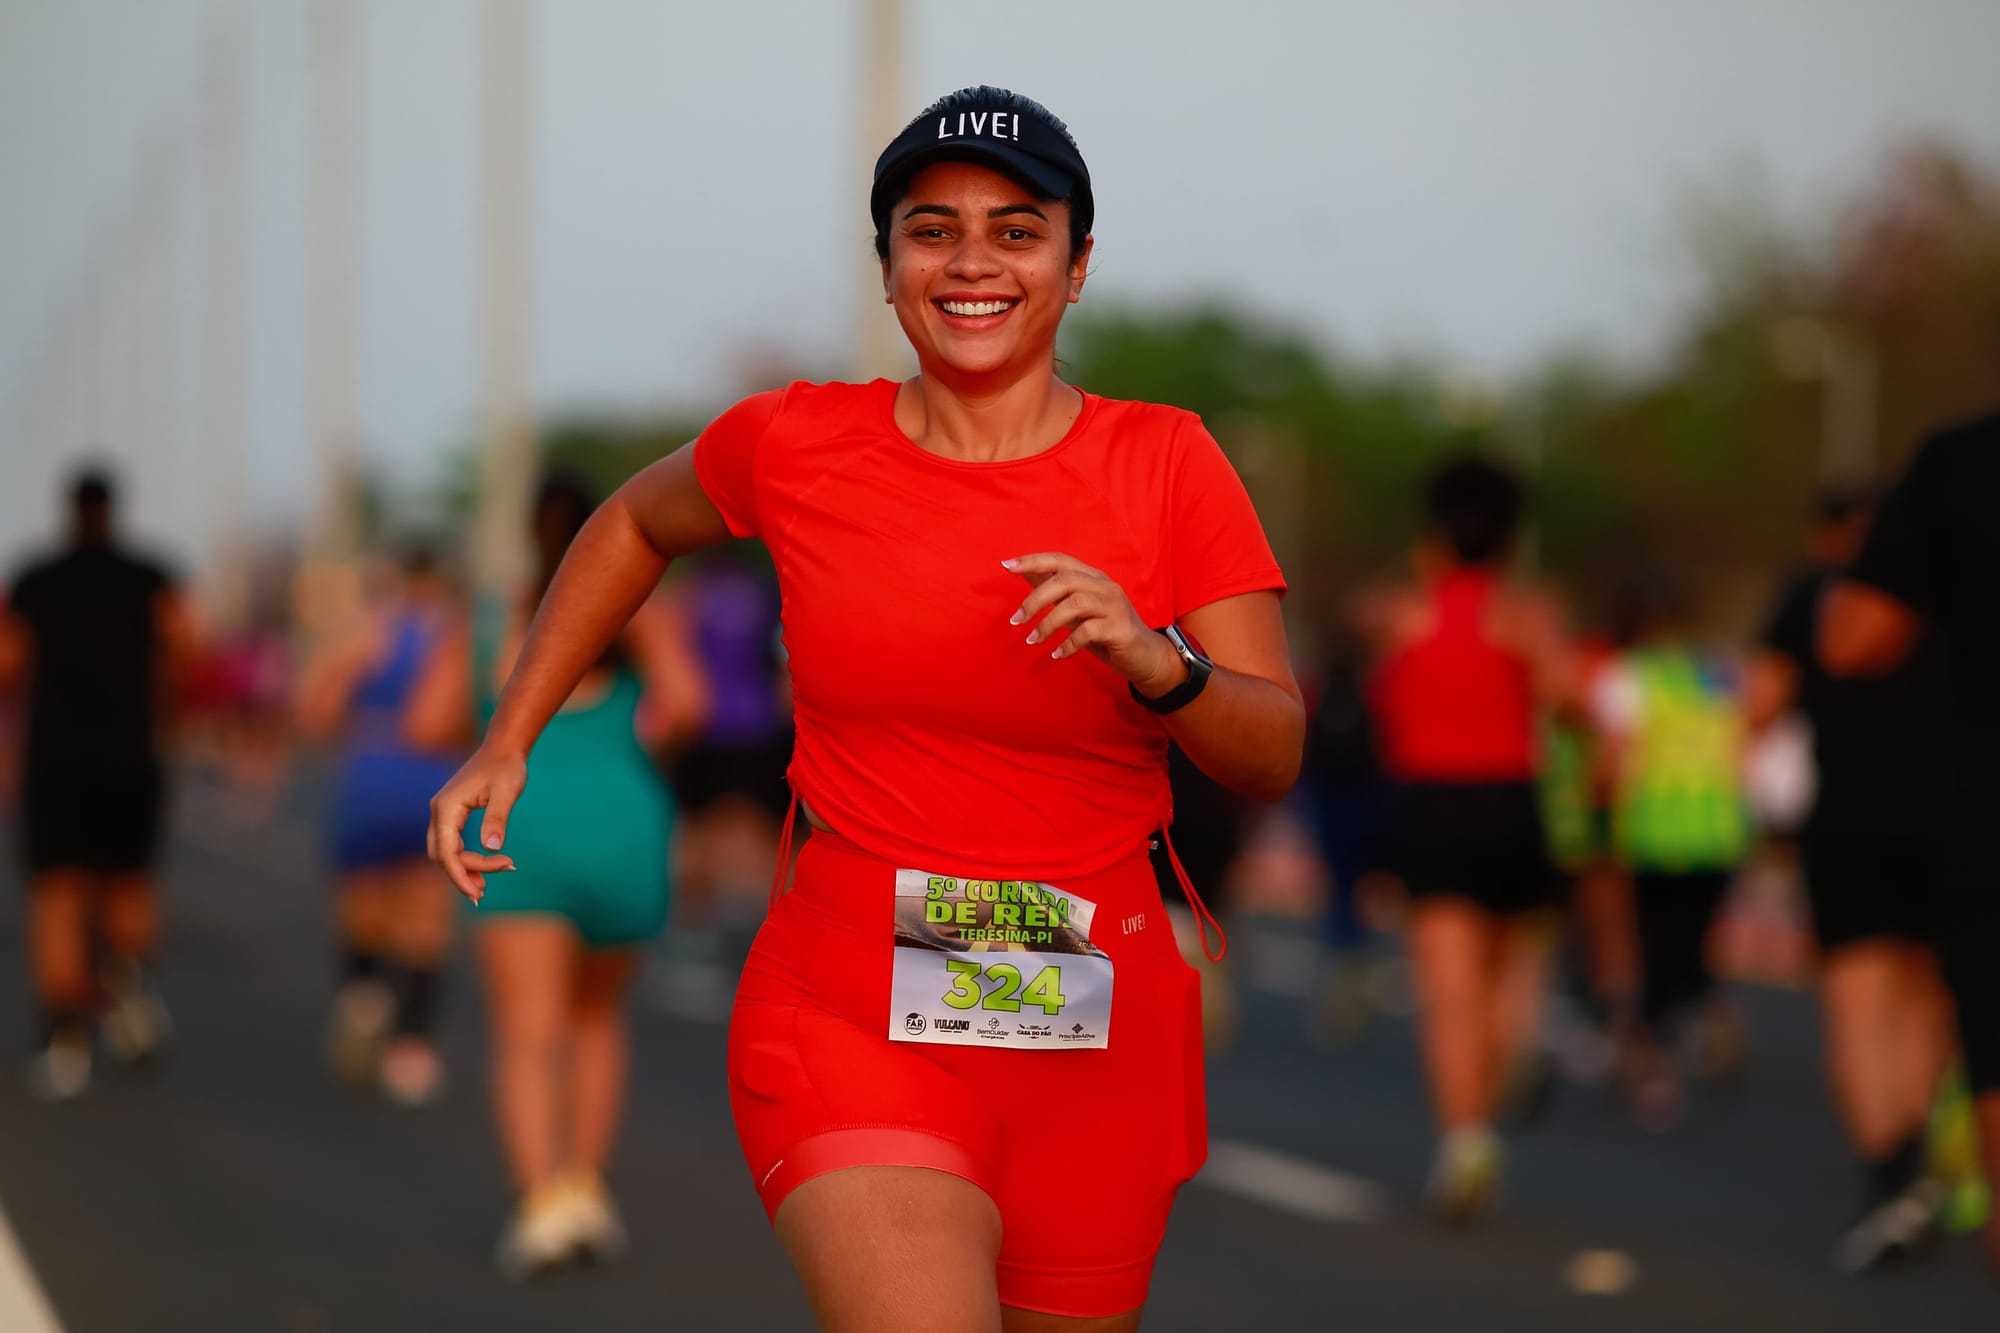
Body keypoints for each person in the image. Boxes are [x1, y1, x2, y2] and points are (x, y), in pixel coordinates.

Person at [427, 86, 1302, 1330]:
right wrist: (506, 736)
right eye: (930, 229)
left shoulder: (1166, 463)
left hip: (1096, 1031)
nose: (972, 262)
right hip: (853, 1007)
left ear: (1077, 262)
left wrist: (1158, 663)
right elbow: (628, 522)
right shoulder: (797, 444)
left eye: (1016, 228)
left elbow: (1271, 746)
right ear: (886, 265)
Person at [408, 474, 709, 1278]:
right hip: (624, 821)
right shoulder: (638, 603)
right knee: (598, 1018)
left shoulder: (483, 617)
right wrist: (630, 739)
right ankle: (583, 1188)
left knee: (526, 1026)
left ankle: (540, 1199)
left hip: (521, 826)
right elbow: (687, 701)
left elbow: (426, 720)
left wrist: (491, 726)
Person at [1746, 487, 1956, 1270]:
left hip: (1849, 819)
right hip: (1952, 814)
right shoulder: (1955, 588)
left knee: (1857, 997)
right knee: (1927, 993)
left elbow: (1762, 704)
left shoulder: (1812, 596)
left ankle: (1890, 1172)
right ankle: (1920, 1153)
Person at [1361, 454, 1571, 1223]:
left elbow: (1378, 700)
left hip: (1427, 805)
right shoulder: (1524, 614)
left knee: (1447, 988)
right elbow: (1571, 698)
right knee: (1513, 969)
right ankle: (1505, 1067)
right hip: (1510, 803)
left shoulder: (1400, 613)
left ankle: (1466, 1138)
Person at [1821, 408, 2000, 1271]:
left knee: (1875, 996)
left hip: (1918, 819)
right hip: (1934, 821)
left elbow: (1848, 641)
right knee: (1924, 996)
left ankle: (1898, 1166)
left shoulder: (1961, 465)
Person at [0, 469, 193, 1099]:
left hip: (56, 755)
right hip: (128, 754)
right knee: (127, 883)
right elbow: (189, 648)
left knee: (58, 893)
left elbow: (7, 662)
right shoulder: (148, 576)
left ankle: (64, 1037)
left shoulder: (36, 580)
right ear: (114, 511)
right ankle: (122, 976)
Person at [294, 544, 464, 1105]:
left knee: (363, 909)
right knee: (424, 917)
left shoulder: (365, 635)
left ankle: (364, 995)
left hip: (369, 769)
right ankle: (411, 1046)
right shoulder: (456, 638)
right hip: (433, 780)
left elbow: (315, 713)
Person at [1592, 570, 1751, 1130]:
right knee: (1692, 942)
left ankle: (1650, 1063)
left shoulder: (1628, 677)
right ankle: (1711, 1011)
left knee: (1654, 952)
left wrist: (1599, 815)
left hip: (1654, 834)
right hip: (1717, 830)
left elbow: (1612, 763)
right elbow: (1743, 745)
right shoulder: (1715, 675)